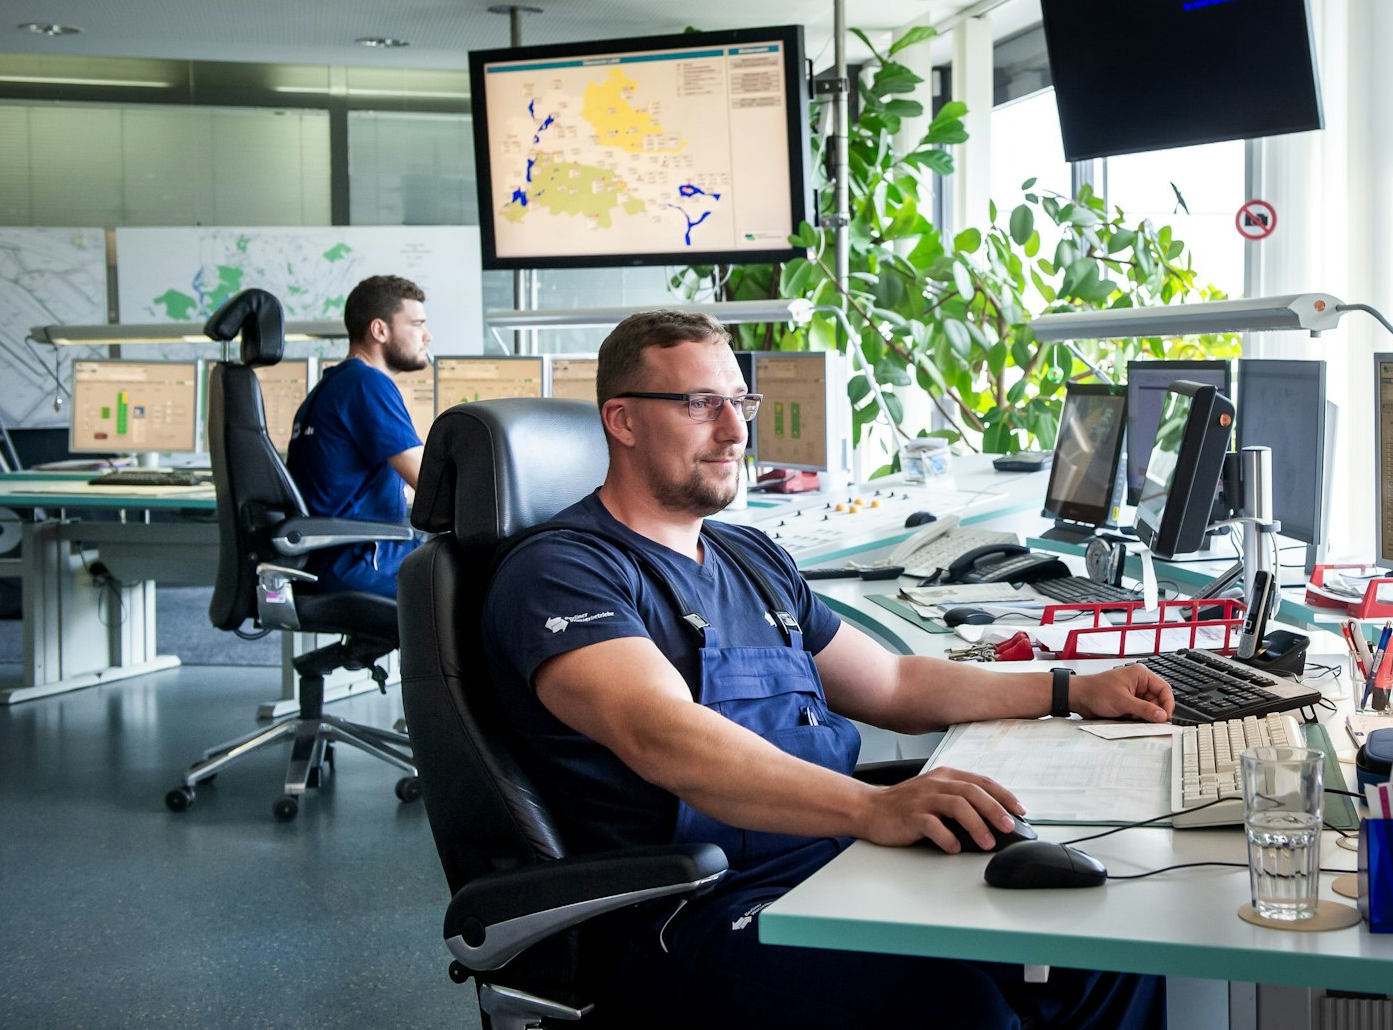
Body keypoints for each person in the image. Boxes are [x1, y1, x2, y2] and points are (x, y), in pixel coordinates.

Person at [482, 310, 1173, 1030]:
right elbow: (663, 734)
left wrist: (1069, 690)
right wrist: (873, 806)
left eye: (739, 402)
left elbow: (894, 684)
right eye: (701, 404)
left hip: (837, 862)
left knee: (1106, 942)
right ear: (622, 420)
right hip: (694, 911)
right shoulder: (563, 572)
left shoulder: (751, 556)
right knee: (960, 1009)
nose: (735, 430)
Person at [285, 275, 429, 599]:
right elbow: (432, 483)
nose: (427, 335)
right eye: (417, 324)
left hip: (329, 558)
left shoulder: (332, 385)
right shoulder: (368, 384)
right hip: (358, 562)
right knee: (482, 584)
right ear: (379, 330)